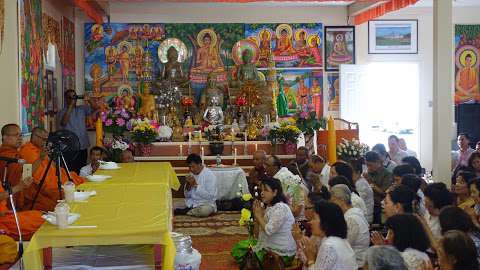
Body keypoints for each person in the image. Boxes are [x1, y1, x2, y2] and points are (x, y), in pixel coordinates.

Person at [232, 177, 297, 266]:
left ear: (275, 192)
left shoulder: (281, 208)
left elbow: (269, 230)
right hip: (268, 246)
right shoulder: (269, 207)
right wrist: (256, 217)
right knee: (239, 248)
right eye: (261, 190)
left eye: (266, 190)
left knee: (249, 258)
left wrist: (259, 216)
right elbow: (257, 235)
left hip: (281, 253)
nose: (262, 193)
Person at [19, 127, 85, 211]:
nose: (45, 142)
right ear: (35, 136)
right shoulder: (27, 151)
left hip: (54, 177)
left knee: (75, 178)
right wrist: (41, 159)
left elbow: (51, 166)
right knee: (61, 195)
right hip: (44, 185)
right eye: (43, 139)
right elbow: (31, 175)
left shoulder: (40, 149)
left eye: (46, 139)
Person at [300, 200, 358, 269]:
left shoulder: (329, 245)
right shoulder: (339, 240)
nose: (310, 222)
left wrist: (310, 259)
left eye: (314, 218)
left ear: (325, 222)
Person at [330, 184, 370, 267]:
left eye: (333, 201)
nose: (332, 205)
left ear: (341, 200)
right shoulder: (353, 213)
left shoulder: (351, 219)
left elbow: (343, 246)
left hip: (356, 263)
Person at [57, 89, 94, 173]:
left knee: (82, 170)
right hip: (70, 148)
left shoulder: (82, 109)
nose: (73, 99)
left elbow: (95, 108)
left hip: (82, 145)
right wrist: (71, 105)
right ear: (66, 99)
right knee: (71, 170)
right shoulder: (62, 112)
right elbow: (63, 122)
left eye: (74, 97)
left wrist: (89, 99)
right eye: (70, 97)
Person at [0, 175, 44, 241]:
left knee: (40, 216)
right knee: (39, 223)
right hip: (3, 221)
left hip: (5, 214)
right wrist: (19, 187)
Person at [265, 155, 306, 221]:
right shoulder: (283, 174)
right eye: (265, 164)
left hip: (296, 217)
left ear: (275, 167)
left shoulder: (282, 178)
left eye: (267, 165)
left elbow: (298, 197)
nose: (265, 167)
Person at [364, 151, 393, 224]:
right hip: (367, 203)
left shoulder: (386, 174)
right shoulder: (367, 173)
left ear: (377, 162)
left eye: (370, 165)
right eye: (367, 165)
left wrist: (370, 183)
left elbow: (384, 193)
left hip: (379, 206)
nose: (368, 168)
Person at [350, 158, 374, 223]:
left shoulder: (361, 184)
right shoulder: (357, 182)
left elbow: (355, 203)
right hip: (360, 214)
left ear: (358, 172)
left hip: (365, 218)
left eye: (351, 173)